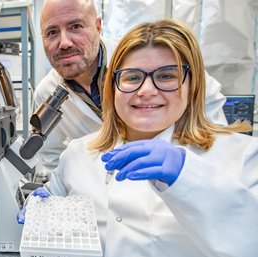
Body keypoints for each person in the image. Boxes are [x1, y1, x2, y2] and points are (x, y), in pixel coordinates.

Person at [25, 18, 258, 257]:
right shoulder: (79, 153)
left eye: (167, 75)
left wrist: (190, 178)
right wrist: (39, 208)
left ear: (193, 86)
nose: (146, 90)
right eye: (132, 77)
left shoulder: (242, 157)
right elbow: (53, 201)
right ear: (113, 88)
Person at [33, 0, 228, 179]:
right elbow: (50, 156)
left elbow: (211, 122)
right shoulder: (46, 92)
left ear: (98, 26)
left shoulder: (141, 55)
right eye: (52, 32)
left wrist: (187, 165)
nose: (65, 43)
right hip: (107, 188)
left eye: (76, 27)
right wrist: (63, 192)